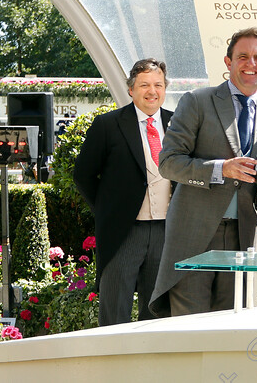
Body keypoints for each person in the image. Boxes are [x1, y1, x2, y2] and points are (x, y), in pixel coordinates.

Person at [149, 27, 257, 317]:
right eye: (242, 56)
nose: (251, 64)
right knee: (190, 329)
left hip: (240, 238)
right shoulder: (198, 101)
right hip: (193, 235)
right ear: (228, 62)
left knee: (228, 328)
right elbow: (168, 162)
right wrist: (222, 169)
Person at [74, 58, 173, 326]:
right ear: (131, 89)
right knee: (115, 311)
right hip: (123, 233)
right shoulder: (108, 125)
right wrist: (110, 210)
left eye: (158, 85)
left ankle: (151, 366)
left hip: (166, 231)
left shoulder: (178, 125)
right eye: (144, 85)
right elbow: (83, 175)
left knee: (157, 313)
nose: (152, 91)